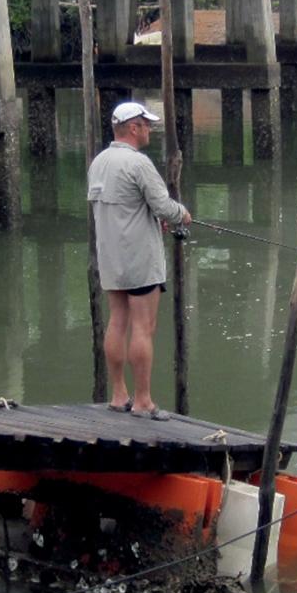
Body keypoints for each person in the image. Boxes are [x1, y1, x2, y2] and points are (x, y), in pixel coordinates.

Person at [86, 100, 191, 418]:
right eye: (146, 125)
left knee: (117, 321)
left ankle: (119, 395)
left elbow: (125, 205)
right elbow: (163, 206)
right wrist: (182, 214)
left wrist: (153, 217)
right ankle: (143, 401)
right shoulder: (139, 163)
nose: (150, 130)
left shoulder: (98, 162)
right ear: (133, 128)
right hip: (140, 259)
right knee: (143, 328)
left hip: (110, 257)